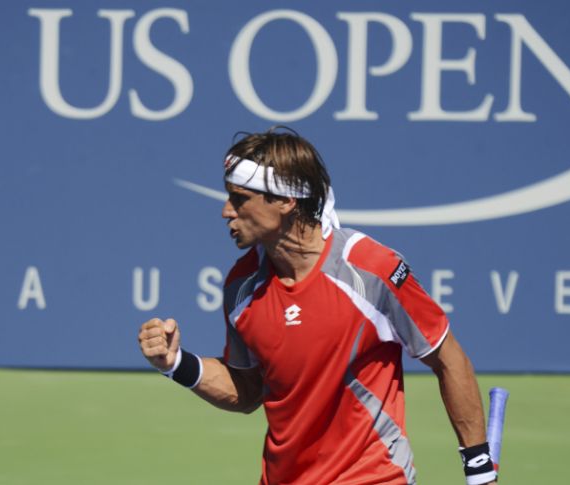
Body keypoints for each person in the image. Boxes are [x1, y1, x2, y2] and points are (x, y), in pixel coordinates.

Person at [138, 127, 498, 485]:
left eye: (240, 198)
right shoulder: (241, 286)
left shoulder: (370, 269)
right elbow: (247, 390)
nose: (226, 211)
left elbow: (447, 356)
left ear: (285, 200)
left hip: (372, 477)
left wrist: (479, 468)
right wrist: (176, 363)